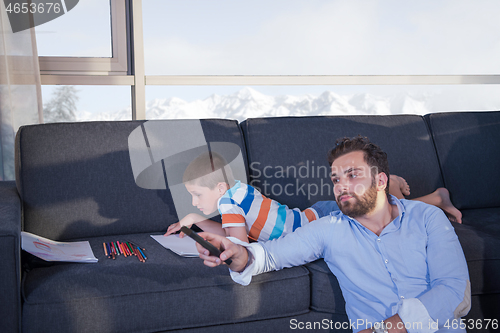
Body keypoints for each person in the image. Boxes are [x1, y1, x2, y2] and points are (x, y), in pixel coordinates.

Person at [196, 136, 471, 333]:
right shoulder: (329, 229)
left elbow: (454, 290)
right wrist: (235, 254)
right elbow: (266, 256)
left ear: (380, 180)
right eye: (336, 179)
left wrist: (386, 330)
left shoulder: (427, 217)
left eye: (352, 175)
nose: (341, 186)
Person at [165, 146, 462, 244]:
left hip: (320, 218)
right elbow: (237, 231)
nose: (194, 201)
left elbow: (237, 245)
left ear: (218, 189)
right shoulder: (237, 190)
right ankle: (434, 196)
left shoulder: (229, 202)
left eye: (195, 195)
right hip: (312, 214)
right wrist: (195, 220)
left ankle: (393, 187)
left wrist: (205, 233)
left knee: (385, 215)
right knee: (377, 212)